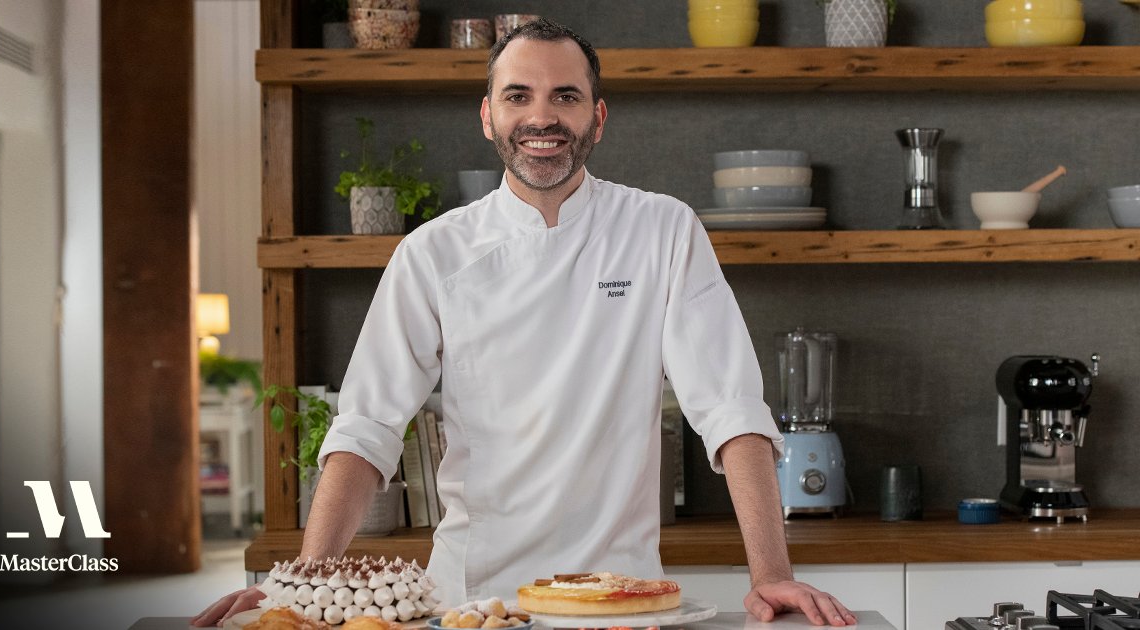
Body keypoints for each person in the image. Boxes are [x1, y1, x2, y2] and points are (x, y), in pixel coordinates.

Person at [193, 18, 856, 628]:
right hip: (471, 601)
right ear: (488, 116)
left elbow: (731, 409)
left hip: (622, 601)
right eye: (518, 96)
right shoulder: (434, 252)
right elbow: (367, 426)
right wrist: (309, 582)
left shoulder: (661, 229)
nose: (542, 116)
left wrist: (772, 574)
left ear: (598, 117)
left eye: (565, 97)